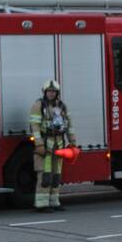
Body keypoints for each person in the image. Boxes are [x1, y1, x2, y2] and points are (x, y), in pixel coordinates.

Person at [28, 79, 77, 213]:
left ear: (57, 93)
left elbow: (69, 125)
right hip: (45, 145)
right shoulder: (38, 105)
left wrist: (73, 142)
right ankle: (42, 204)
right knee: (45, 175)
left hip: (59, 145)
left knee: (56, 175)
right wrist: (38, 144)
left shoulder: (62, 106)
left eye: (53, 91)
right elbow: (35, 126)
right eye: (49, 91)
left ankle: (54, 202)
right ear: (44, 92)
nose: (51, 93)